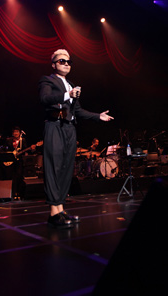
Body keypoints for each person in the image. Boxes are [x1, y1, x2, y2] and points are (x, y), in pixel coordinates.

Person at [39, 49, 114, 228]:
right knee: (54, 168)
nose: (66, 64)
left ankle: (60, 210)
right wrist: (68, 95)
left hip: (69, 128)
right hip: (55, 126)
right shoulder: (47, 80)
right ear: (53, 64)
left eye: (68, 62)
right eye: (61, 61)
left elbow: (78, 111)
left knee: (66, 169)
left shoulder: (71, 84)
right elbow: (45, 99)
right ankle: (53, 213)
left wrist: (98, 116)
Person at [0, 126, 26, 200]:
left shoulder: (22, 140)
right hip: (11, 161)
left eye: (17, 132)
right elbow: (5, 149)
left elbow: (25, 149)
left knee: (19, 176)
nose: (15, 133)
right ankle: (11, 193)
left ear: (20, 133)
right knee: (10, 176)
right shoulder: (9, 140)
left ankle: (19, 192)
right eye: (14, 132)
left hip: (19, 161)